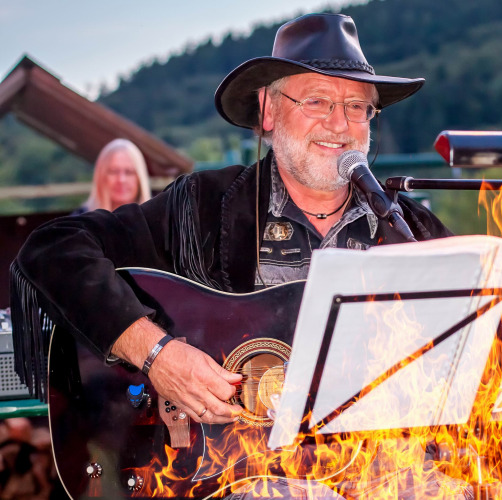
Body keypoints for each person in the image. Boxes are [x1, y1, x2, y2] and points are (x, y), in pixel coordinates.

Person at [11, 13, 454, 498]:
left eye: (357, 107)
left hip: (381, 470)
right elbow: (53, 250)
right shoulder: (201, 208)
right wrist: (157, 354)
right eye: (316, 101)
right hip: (232, 477)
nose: (340, 124)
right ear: (268, 111)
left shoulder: (411, 231)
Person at [72, 138, 151, 214]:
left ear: (140, 178)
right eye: (114, 171)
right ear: (101, 175)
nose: (121, 180)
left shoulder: (155, 219)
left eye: (129, 172)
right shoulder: (80, 220)